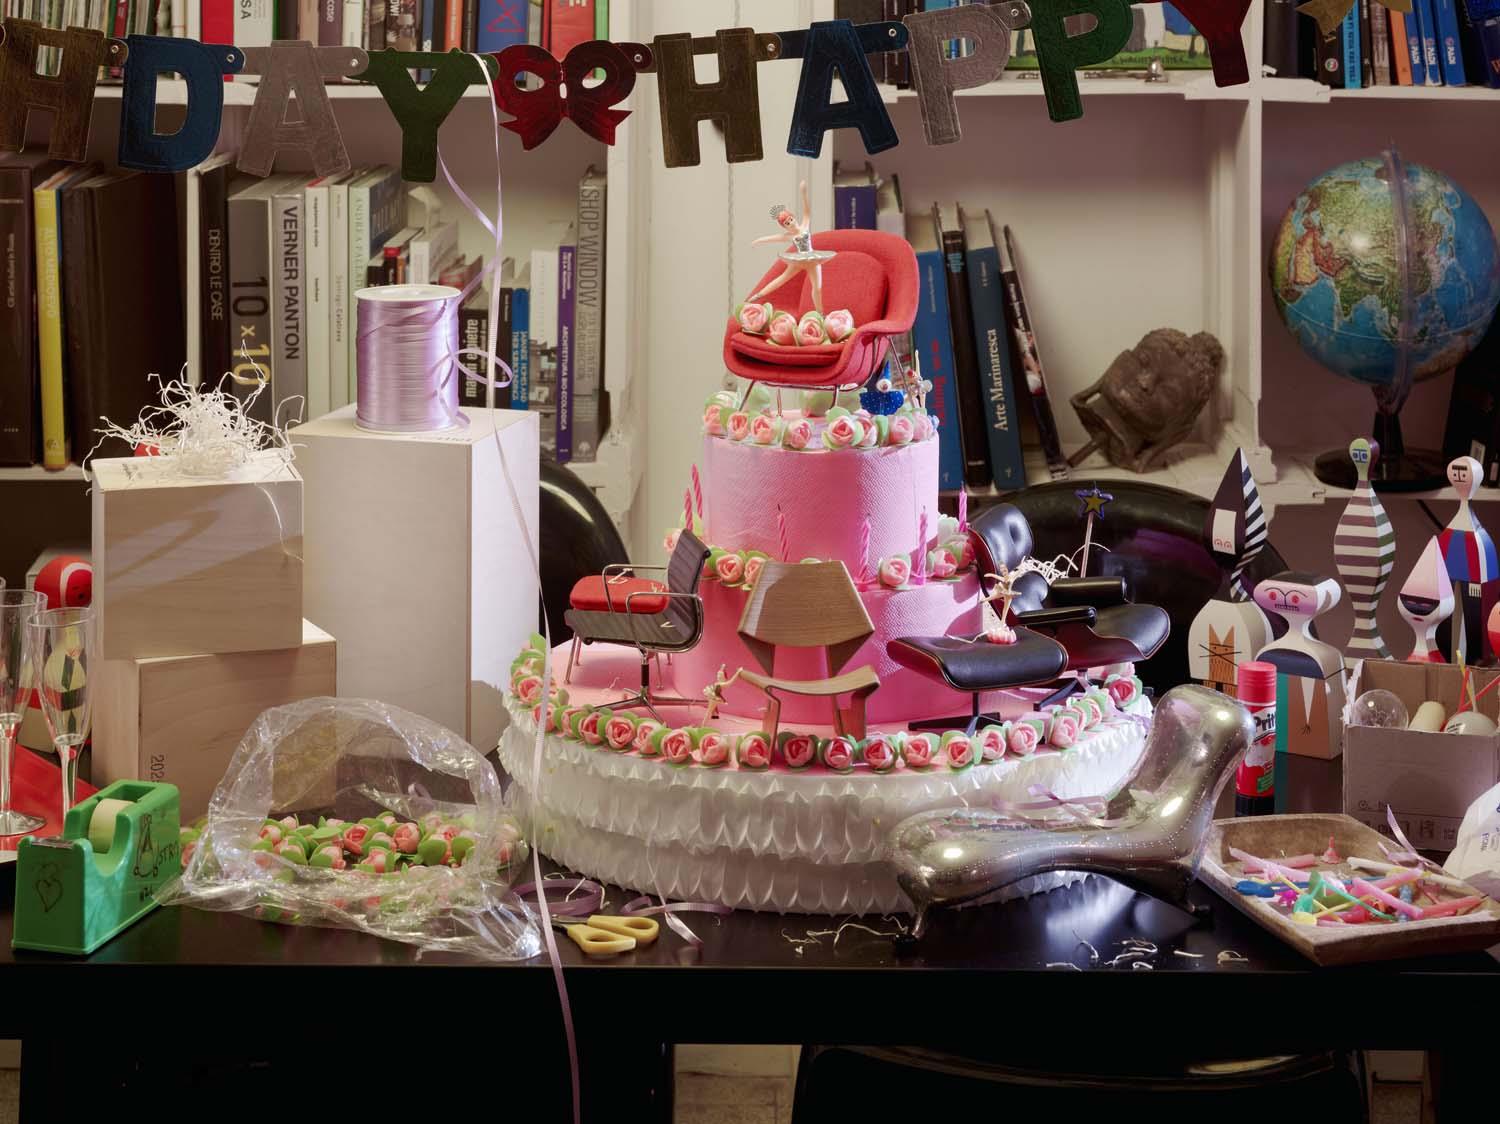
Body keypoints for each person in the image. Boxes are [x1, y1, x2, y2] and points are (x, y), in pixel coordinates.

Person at [748, 180, 837, 314]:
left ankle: (820, 313)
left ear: (794, 218)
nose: (791, 223)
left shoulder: (805, 226)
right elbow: (772, 238)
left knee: (817, 288)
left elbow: (807, 212)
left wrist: (803, 193)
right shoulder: (788, 236)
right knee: (781, 279)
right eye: (787, 223)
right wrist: (758, 241)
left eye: (791, 219)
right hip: (798, 261)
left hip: (813, 260)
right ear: (785, 227)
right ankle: (757, 296)